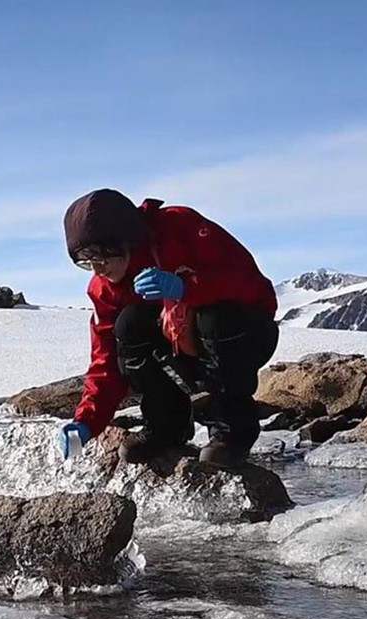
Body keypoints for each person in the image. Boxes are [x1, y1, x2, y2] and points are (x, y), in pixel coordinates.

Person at [57, 189, 278, 467]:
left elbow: (253, 287)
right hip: (181, 351)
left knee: (213, 318)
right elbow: (105, 361)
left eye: (101, 258)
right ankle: (166, 429)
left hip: (245, 334)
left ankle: (232, 432)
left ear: (124, 240)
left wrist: (187, 287)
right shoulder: (105, 289)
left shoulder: (179, 227)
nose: (97, 270)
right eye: (87, 262)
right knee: (129, 325)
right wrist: (86, 421)